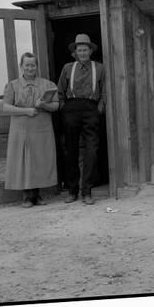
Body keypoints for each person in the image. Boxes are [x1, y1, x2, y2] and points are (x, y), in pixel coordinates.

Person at [2, 52, 60, 208]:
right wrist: (26, 111)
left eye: (33, 65)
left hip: (41, 128)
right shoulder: (13, 85)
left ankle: (38, 195)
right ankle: (27, 196)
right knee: (24, 160)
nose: (30, 68)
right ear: (22, 66)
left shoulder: (48, 84)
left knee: (39, 159)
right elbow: (6, 108)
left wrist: (43, 105)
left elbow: (56, 105)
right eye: (27, 65)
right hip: (21, 129)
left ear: (37, 66)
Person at [58, 34, 106, 205]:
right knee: (71, 151)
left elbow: (104, 90)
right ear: (75, 52)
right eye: (80, 50)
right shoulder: (67, 68)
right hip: (71, 109)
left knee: (91, 151)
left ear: (90, 51)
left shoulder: (99, 68)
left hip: (90, 109)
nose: (83, 52)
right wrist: (64, 107)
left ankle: (87, 191)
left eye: (85, 49)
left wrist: (100, 106)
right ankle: (72, 191)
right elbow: (60, 91)